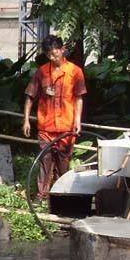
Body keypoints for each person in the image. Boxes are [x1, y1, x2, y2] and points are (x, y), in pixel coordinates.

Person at [23, 35, 87, 198]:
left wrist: (78, 121)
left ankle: (62, 195)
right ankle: (42, 195)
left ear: (62, 50)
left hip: (66, 126)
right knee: (45, 162)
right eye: (49, 54)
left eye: (55, 53)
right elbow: (30, 96)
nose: (53, 57)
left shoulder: (75, 72)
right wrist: (26, 120)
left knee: (63, 163)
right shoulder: (42, 72)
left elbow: (79, 97)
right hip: (46, 126)